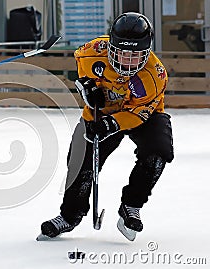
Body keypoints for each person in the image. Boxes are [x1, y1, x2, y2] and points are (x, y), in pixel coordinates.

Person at [40, 12, 174, 241]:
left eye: (135, 56)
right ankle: (70, 216)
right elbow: (80, 64)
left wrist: (112, 124)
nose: (126, 62)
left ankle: (131, 206)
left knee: (159, 152)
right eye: (121, 53)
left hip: (142, 115)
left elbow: (139, 112)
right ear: (111, 46)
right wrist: (86, 88)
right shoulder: (93, 51)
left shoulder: (154, 75)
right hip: (100, 113)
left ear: (147, 53)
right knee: (80, 161)